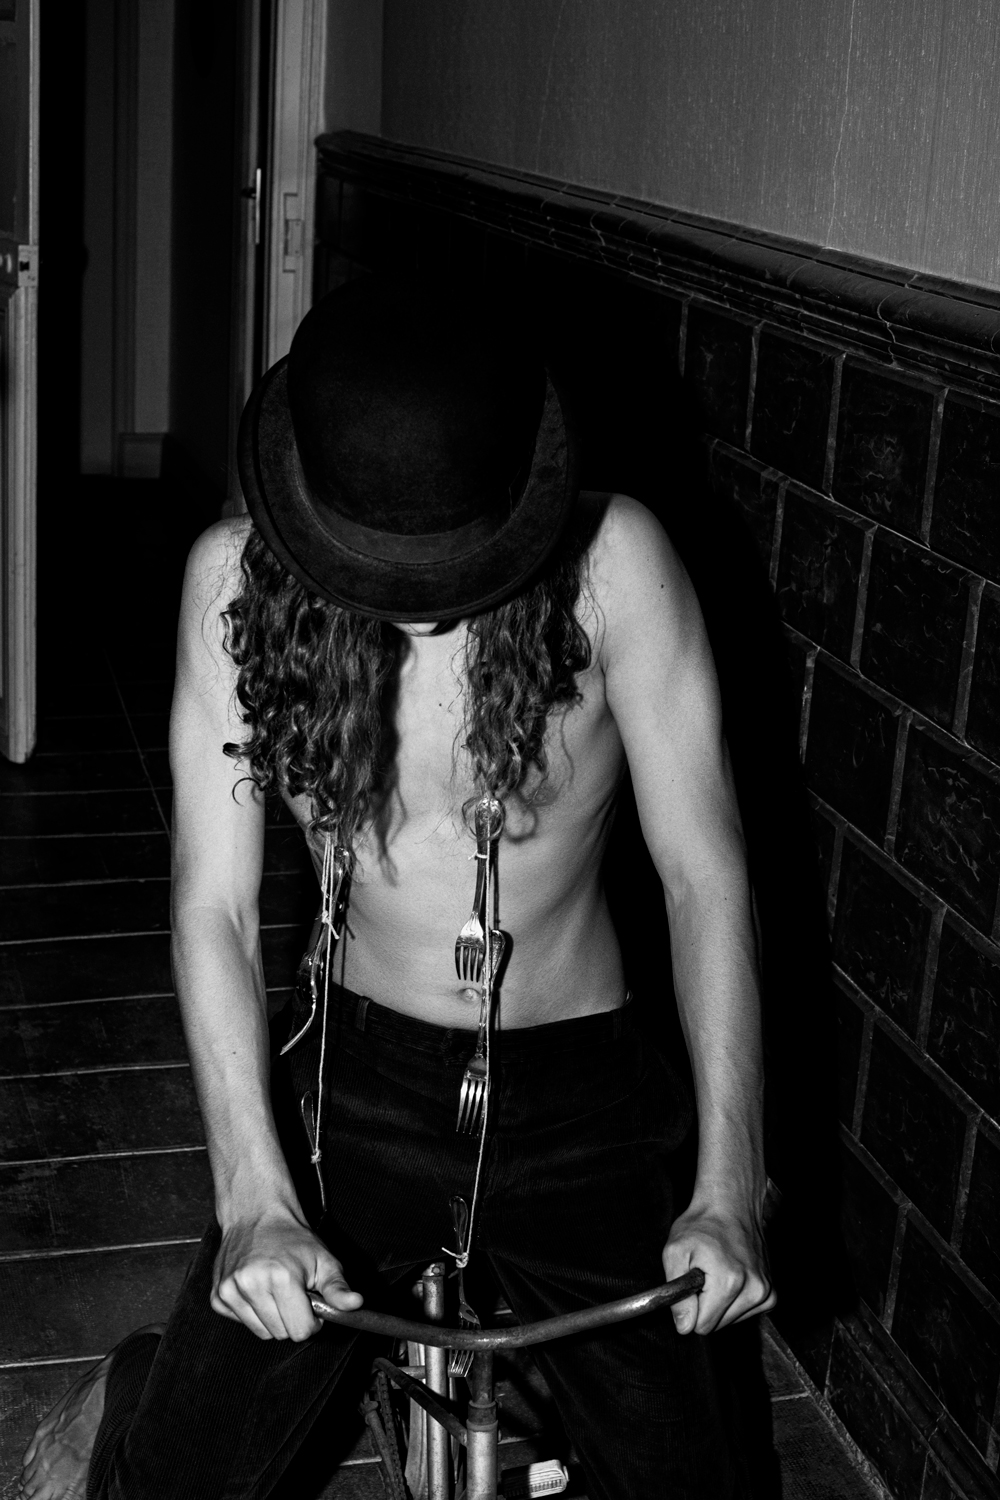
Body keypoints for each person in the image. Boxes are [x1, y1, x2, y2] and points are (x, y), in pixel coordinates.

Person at [20, 277, 774, 1500]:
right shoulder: (231, 584)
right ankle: (138, 1382)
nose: (417, 605)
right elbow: (213, 908)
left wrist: (730, 1187)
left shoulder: (618, 565)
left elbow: (705, 877)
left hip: (582, 1095)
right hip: (351, 1080)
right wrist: (255, 1197)